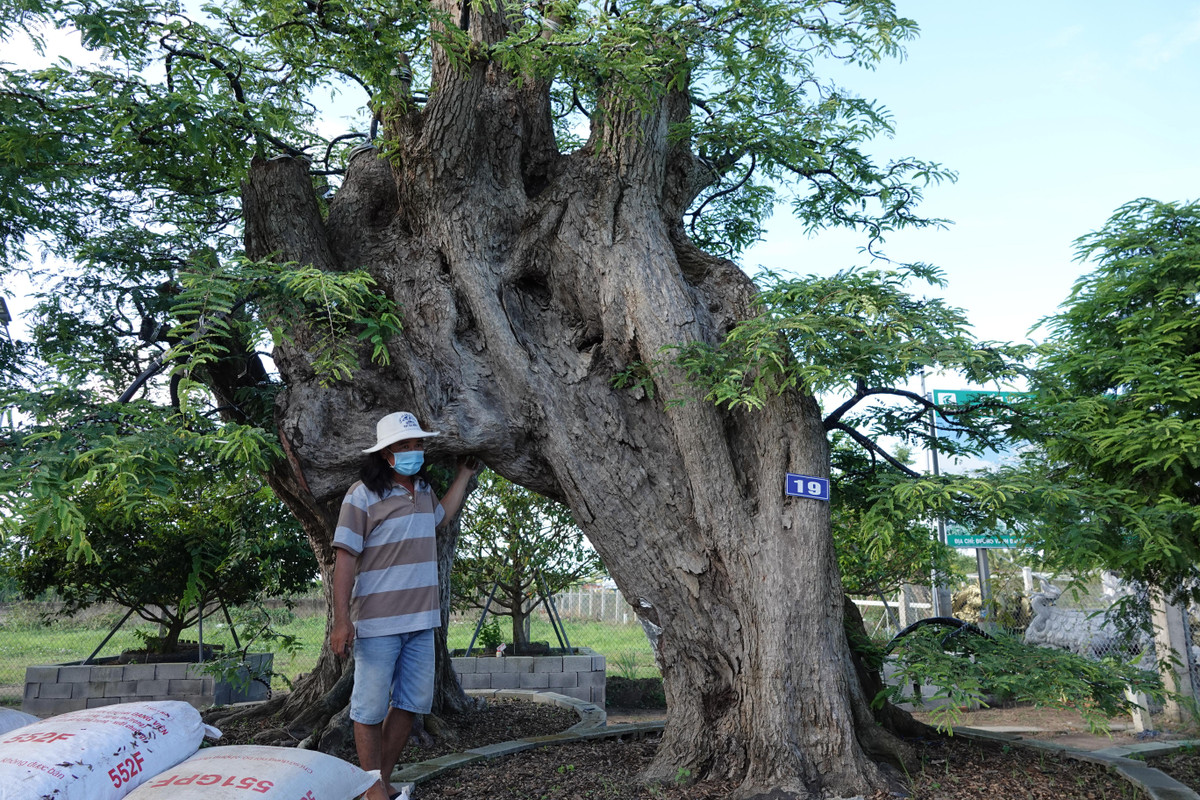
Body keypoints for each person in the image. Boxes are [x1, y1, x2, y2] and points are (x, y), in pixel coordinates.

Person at [330, 411, 477, 800]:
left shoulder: (423, 490)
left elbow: (440, 519)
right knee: (369, 709)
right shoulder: (362, 494)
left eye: (417, 444)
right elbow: (344, 558)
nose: (414, 451)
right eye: (404, 445)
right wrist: (341, 621)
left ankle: (380, 782)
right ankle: (372, 788)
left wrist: (464, 474)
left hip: (422, 623)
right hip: (378, 623)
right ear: (385, 453)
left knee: (410, 706)